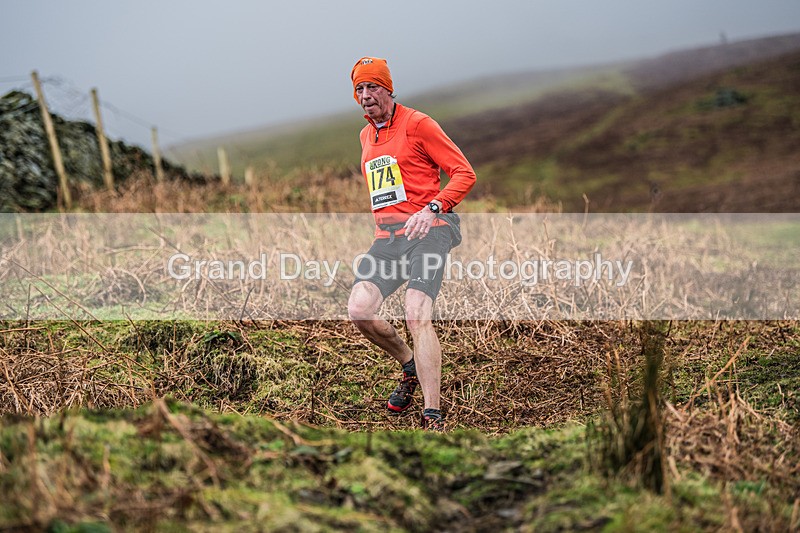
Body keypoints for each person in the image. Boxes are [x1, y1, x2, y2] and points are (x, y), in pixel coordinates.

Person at [346, 56, 476, 432]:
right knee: (359, 309)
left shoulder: (418, 124)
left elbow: (464, 174)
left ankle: (432, 413)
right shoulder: (365, 136)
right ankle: (408, 366)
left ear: (389, 89)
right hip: (388, 239)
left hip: (429, 229)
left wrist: (431, 207)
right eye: (359, 89)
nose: (366, 95)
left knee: (416, 312)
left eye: (373, 87)